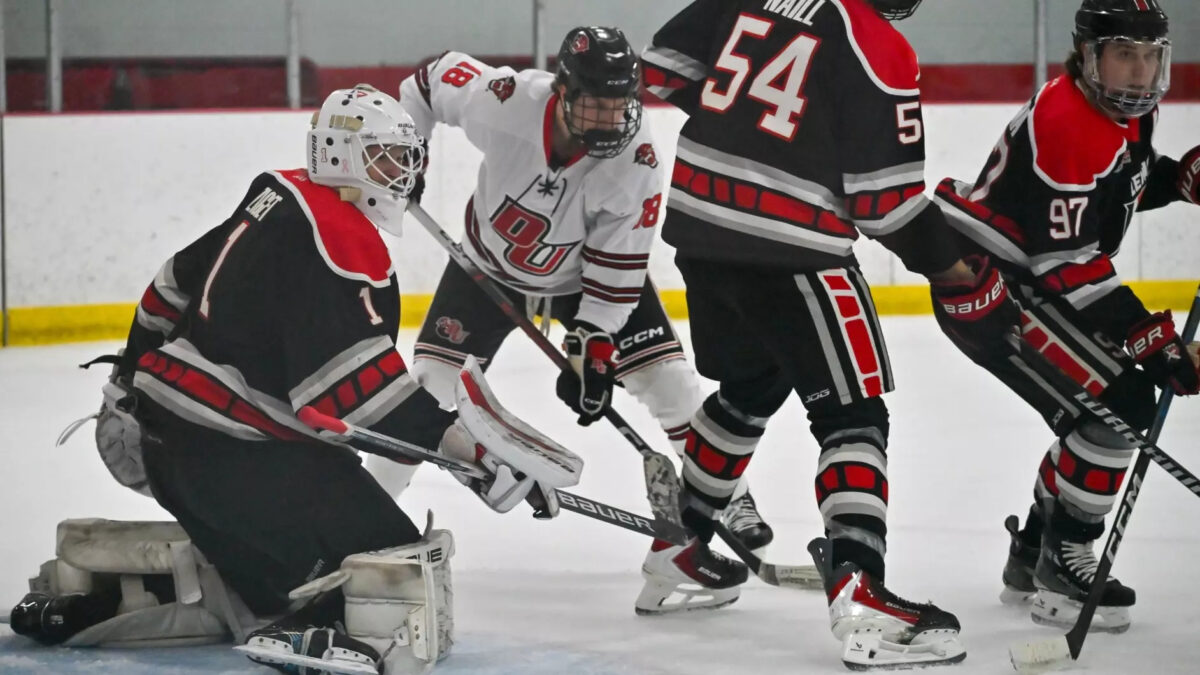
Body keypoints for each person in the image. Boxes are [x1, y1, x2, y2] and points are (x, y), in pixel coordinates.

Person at [8, 85, 582, 675]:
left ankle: (114, 601)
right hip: (234, 458)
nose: (404, 172)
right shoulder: (335, 236)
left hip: (180, 447)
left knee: (328, 553)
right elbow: (358, 394)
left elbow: (168, 284)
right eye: (385, 156)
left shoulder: (277, 198)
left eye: (405, 157)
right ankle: (306, 623)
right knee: (391, 567)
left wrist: (127, 385)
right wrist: (467, 451)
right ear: (337, 156)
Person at [641, 0, 1022, 668]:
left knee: (750, 387)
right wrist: (956, 271)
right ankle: (862, 594)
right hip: (793, 248)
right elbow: (887, 204)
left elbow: (662, 69)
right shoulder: (877, 44)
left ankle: (681, 547)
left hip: (700, 230)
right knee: (853, 415)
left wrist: (746, 125)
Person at [386, 26, 774, 553]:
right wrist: (407, 155)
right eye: (596, 105)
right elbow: (429, 83)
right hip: (486, 267)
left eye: (621, 104)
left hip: (583, 277)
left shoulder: (636, 161)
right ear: (562, 91)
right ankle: (373, 507)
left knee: (670, 385)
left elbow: (616, 273)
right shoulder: (504, 101)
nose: (612, 119)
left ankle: (732, 498)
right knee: (430, 386)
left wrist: (593, 344)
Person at [932, 0, 1200, 634]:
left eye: (1150, 56)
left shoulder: (1121, 111)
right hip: (995, 292)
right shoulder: (1067, 121)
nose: (1140, 72)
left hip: (1034, 281)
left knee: (1102, 412)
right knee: (1121, 405)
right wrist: (1150, 340)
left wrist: (1180, 181)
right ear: (1088, 55)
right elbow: (1067, 263)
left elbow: (1114, 187)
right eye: (1124, 55)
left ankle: (1035, 553)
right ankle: (1062, 562)